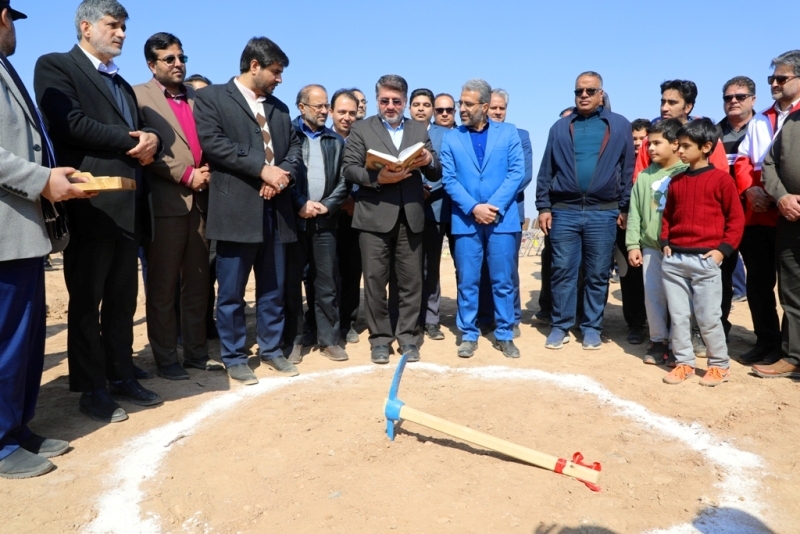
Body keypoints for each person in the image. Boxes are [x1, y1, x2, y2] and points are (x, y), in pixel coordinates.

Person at [35, 0, 163, 422]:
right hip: (90, 205)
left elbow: (144, 134)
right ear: (86, 27)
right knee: (88, 302)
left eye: (124, 25)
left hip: (128, 209)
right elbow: (68, 122)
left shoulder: (123, 85)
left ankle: (122, 374)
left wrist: (152, 142)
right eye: (113, 25)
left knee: (124, 300)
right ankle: (91, 388)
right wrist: (133, 140)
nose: (122, 33)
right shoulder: (56, 66)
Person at [0, 0, 90, 479]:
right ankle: (1, 441)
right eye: (12, 18)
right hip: (4, 232)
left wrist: (48, 175)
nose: (14, 29)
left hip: (22, 232)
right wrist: (41, 180)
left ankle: (18, 427)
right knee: (5, 341)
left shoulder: (3, 66)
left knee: (27, 340)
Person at [194, 37, 304, 384]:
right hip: (236, 211)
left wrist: (280, 177)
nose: (280, 79)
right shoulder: (211, 99)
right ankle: (235, 356)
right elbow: (215, 144)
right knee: (231, 293)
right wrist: (262, 168)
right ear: (254, 66)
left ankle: (271, 350)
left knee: (273, 289)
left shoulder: (281, 110)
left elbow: (295, 149)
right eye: (276, 71)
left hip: (277, 211)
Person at [133, 32, 223, 380]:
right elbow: (140, 149)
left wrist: (208, 171)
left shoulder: (199, 99)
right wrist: (186, 175)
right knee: (162, 287)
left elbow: (214, 142)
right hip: (166, 205)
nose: (178, 64)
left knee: (198, 285)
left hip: (202, 204)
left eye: (181, 57)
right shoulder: (137, 97)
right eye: (169, 59)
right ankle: (167, 358)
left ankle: (197, 354)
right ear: (152, 64)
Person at [341, 74, 440, 364]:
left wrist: (428, 161)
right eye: (385, 100)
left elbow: (436, 170)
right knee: (374, 282)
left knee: (411, 283)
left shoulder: (418, 130)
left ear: (405, 102)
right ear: (376, 101)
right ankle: (380, 340)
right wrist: (376, 177)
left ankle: (408, 337)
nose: (390, 106)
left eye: (396, 101)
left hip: (410, 216)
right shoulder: (361, 128)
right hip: (373, 217)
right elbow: (349, 169)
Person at [536, 71, 634, 350]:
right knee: (562, 271)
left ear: (601, 94)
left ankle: (592, 326)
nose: (584, 96)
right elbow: (546, 169)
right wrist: (544, 206)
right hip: (564, 211)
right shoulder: (560, 127)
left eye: (590, 91)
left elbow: (627, 171)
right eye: (579, 91)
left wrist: (624, 207)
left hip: (603, 212)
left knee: (597, 272)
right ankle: (560, 325)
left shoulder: (619, 125)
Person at [442, 79, 525, 358]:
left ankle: (505, 333)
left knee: (502, 280)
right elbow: (449, 179)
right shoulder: (452, 137)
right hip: (466, 221)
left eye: (467, 104)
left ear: (485, 106)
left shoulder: (509, 133)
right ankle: (468, 333)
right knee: (468, 280)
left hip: (502, 220)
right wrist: (474, 207)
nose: (461, 108)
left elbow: (516, 173)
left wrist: (493, 206)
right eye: (460, 103)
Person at [660, 119, 745, 386]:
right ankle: (684, 362)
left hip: (706, 260)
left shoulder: (722, 180)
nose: (680, 151)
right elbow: (667, 216)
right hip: (674, 261)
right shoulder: (676, 181)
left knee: (708, 318)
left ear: (706, 146)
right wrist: (665, 242)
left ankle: (719, 366)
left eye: (685, 146)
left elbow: (736, 219)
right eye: (678, 145)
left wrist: (723, 251)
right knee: (679, 316)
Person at [734, 54, 800, 365]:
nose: (774, 83)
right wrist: (749, 190)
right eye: (772, 78)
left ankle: (790, 349)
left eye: (781, 78)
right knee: (759, 283)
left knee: (792, 288)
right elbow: (746, 159)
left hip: (791, 214)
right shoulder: (760, 119)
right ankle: (767, 341)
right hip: (759, 213)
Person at [285, 84, 349, 363]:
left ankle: (329, 340)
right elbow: (283, 174)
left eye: (326, 106)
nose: (325, 111)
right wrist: (300, 203)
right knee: (290, 283)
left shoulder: (335, 141)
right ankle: (294, 340)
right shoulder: (288, 135)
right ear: (302, 108)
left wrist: (328, 205)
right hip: (293, 220)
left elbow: (346, 180)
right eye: (319, 106)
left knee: (326, 283)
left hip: (325, 222)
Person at [625, 119, 687, 364]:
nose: (649, 148)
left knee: (679, 299)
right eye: (648, 143)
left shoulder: (685, 172)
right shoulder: (643, 176)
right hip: (651, 247)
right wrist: (632, 245)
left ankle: (676, 345)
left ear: (675, 144)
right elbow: (635, 213)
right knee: (653, 297)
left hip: (679, 249)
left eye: (656, 143)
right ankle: (657, 340)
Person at [476, 88, 532, 338]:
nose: (497, 112)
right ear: (484, 108)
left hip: (508, 212)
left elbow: (523, 175)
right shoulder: (473, 135)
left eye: (502, 108)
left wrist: (491, 202)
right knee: (482, 269)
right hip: (476, 213)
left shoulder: (519, 136)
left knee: (507, 269)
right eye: (493, 107)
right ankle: (486, 316)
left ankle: (511, 318)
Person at [755, 108, 800, 379]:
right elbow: (769, 164)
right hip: (791, 219)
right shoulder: (792, 122)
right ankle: (793, 356)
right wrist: (782, 196)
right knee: (792, 291)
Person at [403, 88, 449, 340]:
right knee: (407, 268)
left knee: (431, 267)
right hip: (403, 209)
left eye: (426, 105)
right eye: (416, 104)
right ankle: (408, 318)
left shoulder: (446, 135)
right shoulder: (401, 131)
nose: (421, 108)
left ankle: (431, 319)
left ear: (432, 109)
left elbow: (450, 169)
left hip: (434, 208)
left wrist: (428, 188)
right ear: (409, 107)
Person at [634, 80, 728, 177]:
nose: (664, 108)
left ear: (687, 107)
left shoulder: (706, 136)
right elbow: (639, 178)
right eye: (663, 102)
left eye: (672, 103)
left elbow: (720, 176)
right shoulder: (649, 140)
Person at [332, 89, 363, 345]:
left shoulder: (363, 139)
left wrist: (356, 200)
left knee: (352, 271)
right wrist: (341, 200)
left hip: (357, 216)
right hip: (328, 215)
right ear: (331, 112)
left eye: (352, 113)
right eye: (342, 112)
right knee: (326, 274)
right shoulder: (323, 138)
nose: (347, 117)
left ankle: (348, 321)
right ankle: (323, 322)